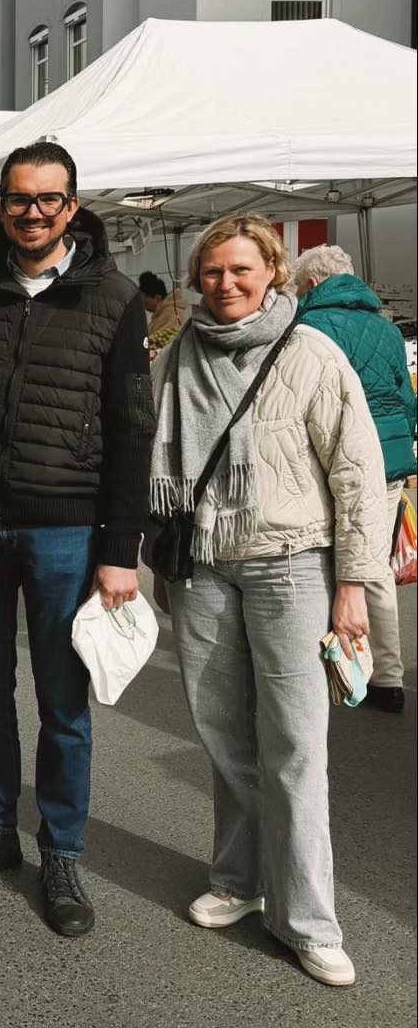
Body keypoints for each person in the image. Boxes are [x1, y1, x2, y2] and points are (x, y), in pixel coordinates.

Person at [0, 141, 154, 939]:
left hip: (68, 529)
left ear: (73, 206)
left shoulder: (114, 298)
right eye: (19, 199)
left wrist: (120, 550)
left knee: (63, 704)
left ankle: (62, 849)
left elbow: (133, 429)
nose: (33, 212)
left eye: (49, 199)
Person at [150, 216, 387, 988]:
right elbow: (148, 457)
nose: (225, 284)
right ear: (195, 279)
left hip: (294, 565)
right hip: (204, 567)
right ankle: (238, 880)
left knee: (295, 749)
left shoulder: (311, 353)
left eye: (240, 270)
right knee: (223, 737)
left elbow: (356, 475)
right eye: (211, 272)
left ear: (274, 274)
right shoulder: (175, 358)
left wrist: (352, 586)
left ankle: (310, 920)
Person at [294, 243, 416, 713]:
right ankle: (388, 677)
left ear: (309, 285)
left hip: (327, 463)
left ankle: (330, 666)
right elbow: (406, 400)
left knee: (322, 563)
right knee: (374, 567)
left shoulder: (306, 327)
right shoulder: (387, 331)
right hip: (387, 463)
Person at [139, 271, 189, 341]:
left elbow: (165, 340)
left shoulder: (172, 313)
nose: (145, 307)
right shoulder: (162, 314)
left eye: (146, 303)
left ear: (157, 298)